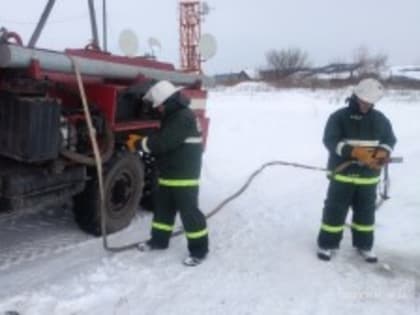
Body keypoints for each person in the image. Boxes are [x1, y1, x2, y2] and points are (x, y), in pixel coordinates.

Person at [126, 80, 209, 266]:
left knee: (190, 214)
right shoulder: (174, 116)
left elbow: (164, 143)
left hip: (184, 176)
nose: (159, 110)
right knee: (163, 212)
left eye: (160, 106)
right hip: (170, 173)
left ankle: (199, 250)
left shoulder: (183, 117)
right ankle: (158, 241)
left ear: (168, 102)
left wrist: (139, 143)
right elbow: (164, 140)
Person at [316, 78, 397, 262]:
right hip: (342, 175)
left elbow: (390, 140)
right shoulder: (339, 117)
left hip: (368, 178)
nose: (366, 106)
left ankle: (364, 245)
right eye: (363, 102)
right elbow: (330, 140)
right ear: (356, 96)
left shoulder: (380, 120)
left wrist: (384, 151)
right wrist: (352, 152)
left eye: (370, 103)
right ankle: (327, 244)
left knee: (365, 214)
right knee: (334, 211)